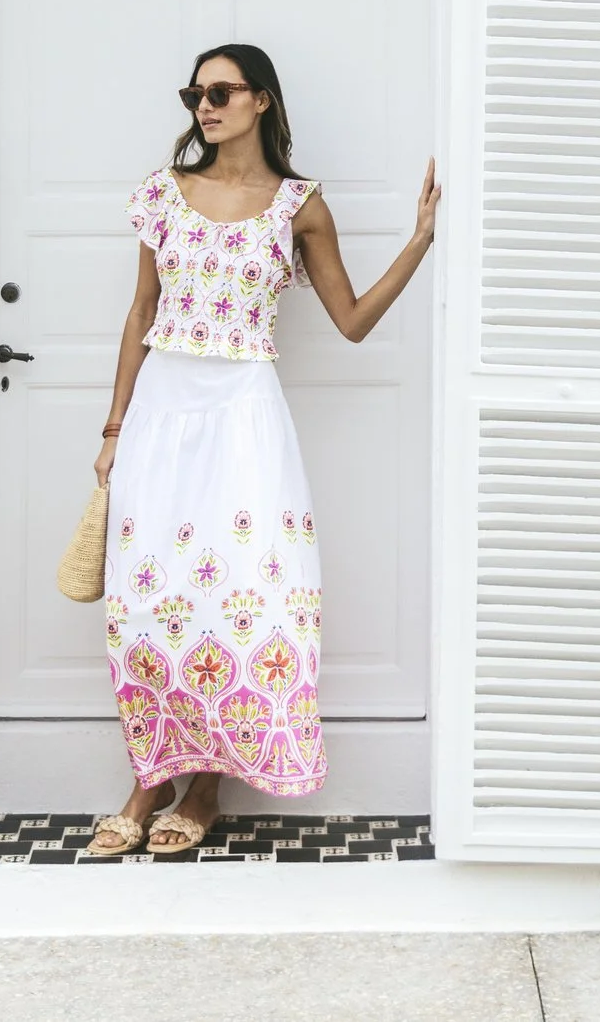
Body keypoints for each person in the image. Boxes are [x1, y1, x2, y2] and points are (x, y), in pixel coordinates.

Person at [83, 43, 439, 856]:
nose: (204, 107)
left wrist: (419, 240)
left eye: (220, 91)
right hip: (162, 411)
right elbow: (141, 313)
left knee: (238, 600)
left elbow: (352, 320)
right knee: (146, 607)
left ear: (262, 100)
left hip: (244, 416)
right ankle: (150, 778)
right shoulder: (165, 193)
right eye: (194, 95)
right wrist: (113, 428)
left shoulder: (299, 205)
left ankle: (205, 790)